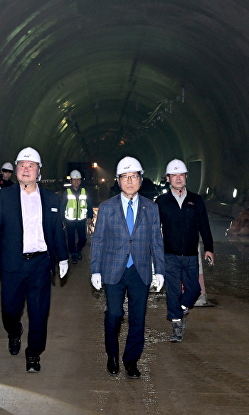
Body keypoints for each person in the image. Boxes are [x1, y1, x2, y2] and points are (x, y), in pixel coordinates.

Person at [0, 147, 69, 373]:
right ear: (16, 169)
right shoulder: (6, 196)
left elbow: (57, 230)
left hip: (40, 263)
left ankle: (33, 353)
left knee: (39, 311)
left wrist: (63, 257)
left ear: (38, 171)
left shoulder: (51, 198)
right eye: (22, 165)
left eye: (31, 166)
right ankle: (14, 331)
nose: (25, 169)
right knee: (10, 309)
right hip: (13, 263)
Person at [90, 156, 165, 379]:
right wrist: (95, 269)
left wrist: (159, 270)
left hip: (140, 270)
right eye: (125, 177)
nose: (130, 181)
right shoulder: (107, 207)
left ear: (141, 180)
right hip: (113, 268)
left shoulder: (151, 208)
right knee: (114, 314)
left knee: (137, 318)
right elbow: (99, 240)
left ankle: (131, 360)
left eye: (134, 176)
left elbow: (156, 240)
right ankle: (112, 355)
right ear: (118, 180)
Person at [155, 159, 215, 343]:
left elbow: (204, 225)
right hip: (170, 254)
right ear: (168, 178)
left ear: (186, 177)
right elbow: (155, 228)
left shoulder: (196, 201)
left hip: (190, 254)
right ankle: (177, 326)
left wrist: (209, 248)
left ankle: (181, 308)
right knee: (173, 291)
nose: (178, 178)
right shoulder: (162, 202)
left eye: (181, 175)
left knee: (194, 289)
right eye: (174, 175)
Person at [60, 169, 94, 264]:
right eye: (74, 180)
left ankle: (79, 249)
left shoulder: (84, 191)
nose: (76, 181)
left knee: (82, 238)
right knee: (71, 238)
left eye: (78, 179)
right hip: (69, 220)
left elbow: (89, 205)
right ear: (70, 181)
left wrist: (90, 217)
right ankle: (74, 254)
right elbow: (62, 206)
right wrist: (62, 219)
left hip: (81, 220)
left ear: (80, 181)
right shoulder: (66, 192)